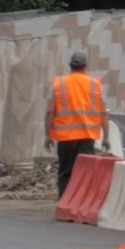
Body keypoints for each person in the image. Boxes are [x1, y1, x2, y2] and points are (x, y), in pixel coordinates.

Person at [46, 51, 106, 196]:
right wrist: (107, 137)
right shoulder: (95, 84)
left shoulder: (58, 84)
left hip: (65, 138)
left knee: (65, 173)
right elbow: (103, 112)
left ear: (70, 66)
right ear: (85, 66)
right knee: (85, 174)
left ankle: (63, 203)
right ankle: (81, 204)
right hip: (87, 136)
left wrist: (47, 135)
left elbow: (50, 112)